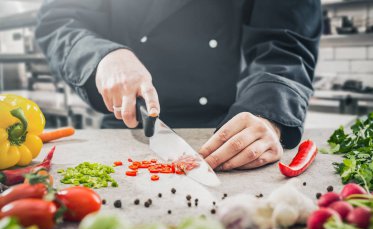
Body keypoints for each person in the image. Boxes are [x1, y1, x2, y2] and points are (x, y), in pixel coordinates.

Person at [35, 0, 322, 171]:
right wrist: (100, 55)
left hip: (226, 132)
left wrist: (268, 111)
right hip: (126, 127)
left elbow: (286, 41)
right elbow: (60, 21)